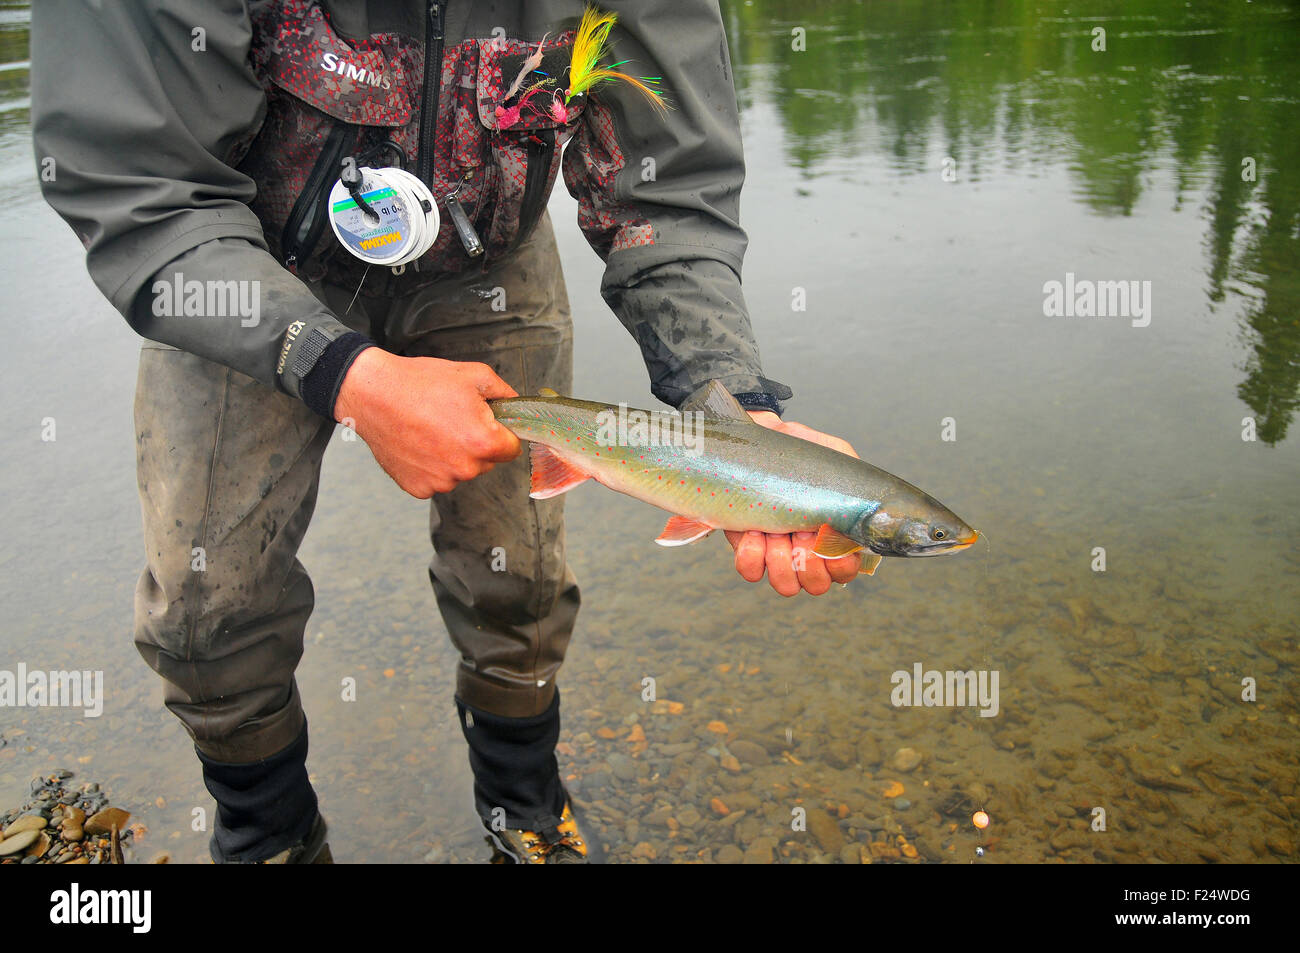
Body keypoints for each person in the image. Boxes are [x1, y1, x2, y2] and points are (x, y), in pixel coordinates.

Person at [32, 0, 863, 864]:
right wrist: (343, 374)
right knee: (208, 607)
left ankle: (522, 805)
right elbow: (141, 185)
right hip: (241, 260)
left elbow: (667, 189)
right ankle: (267, 833)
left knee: (521, 576)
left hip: (489, 257)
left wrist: (730, 405)